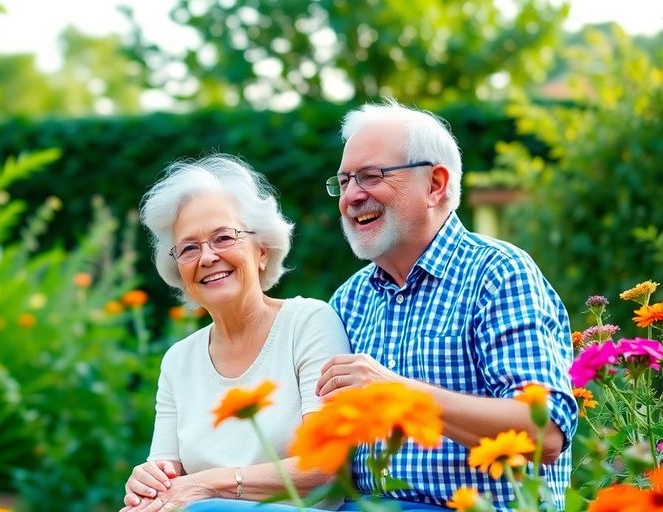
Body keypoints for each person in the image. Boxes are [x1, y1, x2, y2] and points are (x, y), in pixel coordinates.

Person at [315, 99, 578, 511]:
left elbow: (544, 434)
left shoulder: (497, 273)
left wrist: (397, 392)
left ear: (436, 184)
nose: (351, 196)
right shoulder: (349, 299)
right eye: (344, 181)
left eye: (370, 177)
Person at [120, 155, 350, 512]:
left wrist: (203, 487)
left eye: (223, 237)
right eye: (189, 248)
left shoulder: (308, 322)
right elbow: (167, 480)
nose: (208, 257)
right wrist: (148, 481)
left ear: (261, 251)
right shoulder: (178, 361)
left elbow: (324, 463)